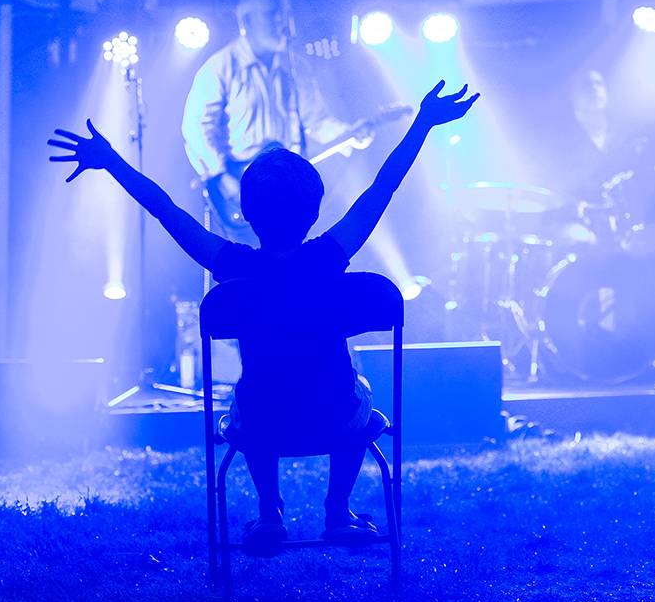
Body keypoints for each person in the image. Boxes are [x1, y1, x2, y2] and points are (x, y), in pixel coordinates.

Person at [48, 78, 479, 553]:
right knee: (360, 395)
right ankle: (338, 511)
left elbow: (165, 209)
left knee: (250, 400)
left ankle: (270, 511)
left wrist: (111, 162)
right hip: (333, 417)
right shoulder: (329, 256)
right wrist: (421, 123)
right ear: (314, 211)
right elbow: (383, 187)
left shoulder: (233, 267)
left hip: (263, 422)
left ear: (246, 213)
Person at [181, 0, 352, 242]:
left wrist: (350, 134)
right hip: (237, 184)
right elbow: (197, 127)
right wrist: (223, 176)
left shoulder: (295, 68)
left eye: (283, 14)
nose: (281, 21)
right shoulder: (220, 67)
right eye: (272, 14)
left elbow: (317, 121)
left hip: (285, 188)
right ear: (246, 21)